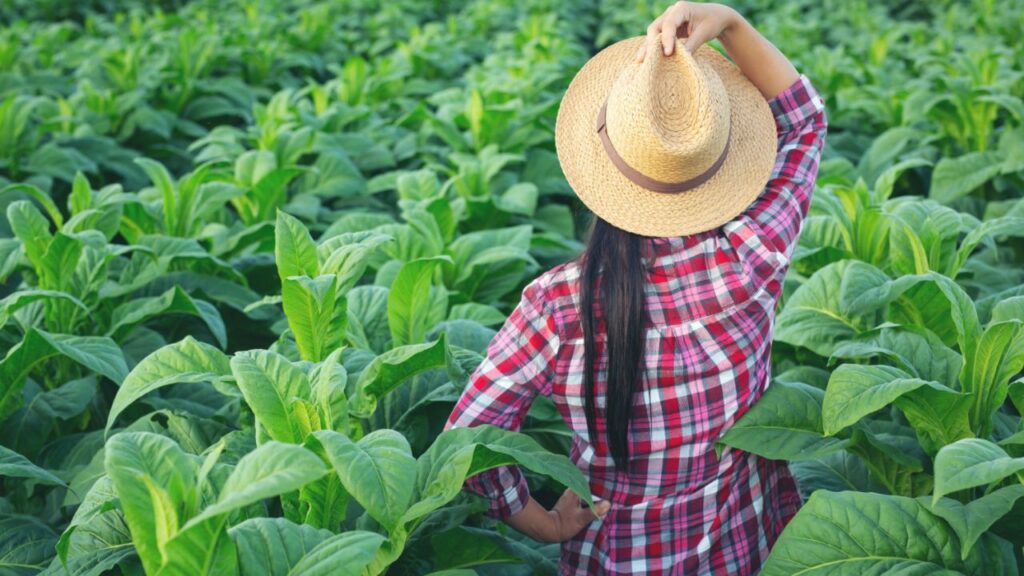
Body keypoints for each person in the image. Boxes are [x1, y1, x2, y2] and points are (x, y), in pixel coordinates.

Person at [444, 1, 828, 574]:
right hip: (743, 547)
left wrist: (540, 522)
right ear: (718, 167)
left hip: (616, 558)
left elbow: (469, 443)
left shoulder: (556, 306)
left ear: (604, 162)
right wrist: (729, 22)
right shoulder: (751, 260)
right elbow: (804, 120)